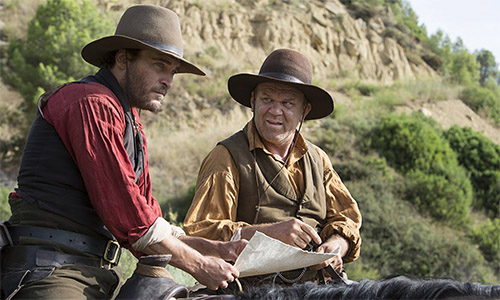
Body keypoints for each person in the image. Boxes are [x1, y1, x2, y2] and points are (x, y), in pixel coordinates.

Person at [1, 5, 246, 300]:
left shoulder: (128, 118)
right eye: (159, 65)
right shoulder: (91, 103)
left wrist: (210, 248)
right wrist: (198, 264)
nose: (168, 81)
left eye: (173, 71)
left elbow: (147, 214)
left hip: (94, 271)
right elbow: (131, 220)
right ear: (122, 59)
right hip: (51, 269)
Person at [184, 48, 362, 288]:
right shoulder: (226, 157)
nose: (275, 111)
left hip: (318, 289)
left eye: (288, 103)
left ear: (304, 111)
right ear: (253, 101)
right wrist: (269, 233)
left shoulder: (318, 159)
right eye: (267, 99)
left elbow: (347, 218)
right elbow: (200, 233)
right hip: (249, 291)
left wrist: (337, 246)